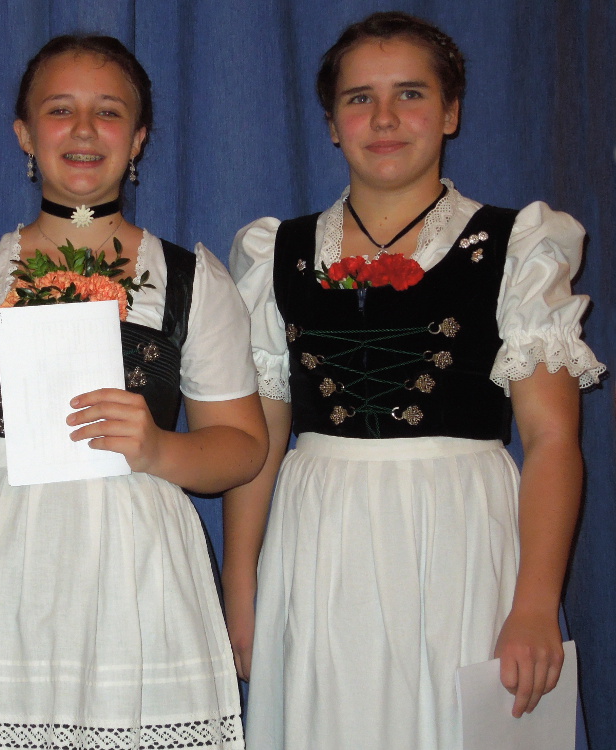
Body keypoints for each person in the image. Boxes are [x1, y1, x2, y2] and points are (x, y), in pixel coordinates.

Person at [223, 11, 604, 750]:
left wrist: (535, 599)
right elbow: (262, 435)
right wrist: (242, 579)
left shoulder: (515, 246)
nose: (385, 118)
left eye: (411, 94)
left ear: (451, 111)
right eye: (359, 98)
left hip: (460, 529)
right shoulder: (277, 252)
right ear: (332, 123)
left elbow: (554, 438)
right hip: (319, 534)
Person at [0, 35, 267, 750]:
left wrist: (158, 448)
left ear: (139, 139)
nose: (86, 130)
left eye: (110, 112)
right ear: (25, 135)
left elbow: (243, 448)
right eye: (61, 110)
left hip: (133, 562)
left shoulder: (193, 281)